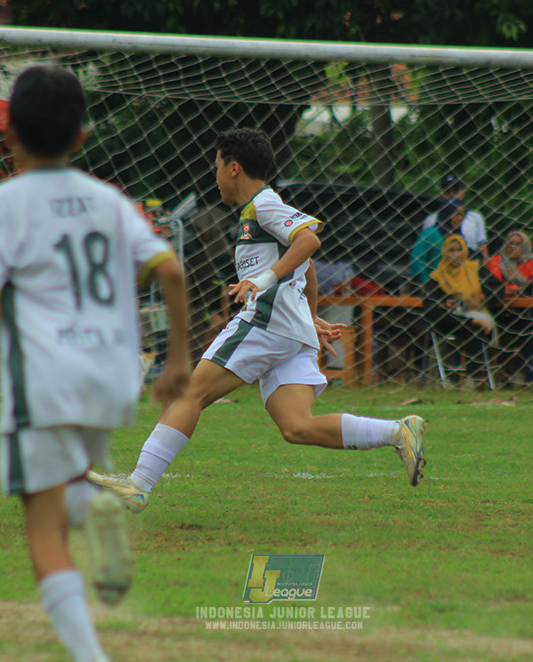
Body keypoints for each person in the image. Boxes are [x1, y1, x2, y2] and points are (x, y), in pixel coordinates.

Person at [0, 66, 190, 662]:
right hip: (112, 374)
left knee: (44, 527)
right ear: (81, 135)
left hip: (47, 379)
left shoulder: (1, 204)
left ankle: (90, 655)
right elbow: (171, 270)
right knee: (72, 484)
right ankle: (92, 501)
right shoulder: (110, 200)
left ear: (8, 131)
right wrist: (179, 359)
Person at [88, 128, 427, 513]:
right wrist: (308, 317)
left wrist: (263, 281)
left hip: (265, 323)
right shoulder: (258, 212)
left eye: (217, 166)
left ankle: (138, 485)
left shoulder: (264, 204)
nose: (215, 176)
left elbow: (309, 241)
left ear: (233, 168)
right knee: (297, 426)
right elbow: (306, 265)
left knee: (190, 393)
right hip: (290, 330)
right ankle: (398, 431)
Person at [420, 235, 496, 387]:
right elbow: (430, 308)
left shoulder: (475, 269)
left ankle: (471, 380)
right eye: (451, 250)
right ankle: (449, 379)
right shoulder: (437, 276)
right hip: (449, 322)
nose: (455, 254)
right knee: (473, 325)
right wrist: (447, 303)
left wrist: (482, 297)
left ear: (465, 252)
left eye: (459, 250)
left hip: (474, 319)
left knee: (477, 330)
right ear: (444, 252)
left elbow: (497, 290)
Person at [482, 230, 533, 386]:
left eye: (517, 244)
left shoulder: (530, 261)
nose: (512, 247)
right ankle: (502, 372)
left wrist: (512, 278)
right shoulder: (496, 261)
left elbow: (530, 285)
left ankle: (518, 371)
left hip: (522, 311)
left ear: (525, 247)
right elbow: (494, 287)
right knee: (505, 329)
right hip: (497, 310)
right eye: (510, 243)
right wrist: (512, 287)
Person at [410, 173, 489, 286]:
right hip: (437, 280)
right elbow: (420, 257)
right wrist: (426, 283)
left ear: (463, 192)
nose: (452, 195)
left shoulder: (474, 217)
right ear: (441, 193)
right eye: (447, 191)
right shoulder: (432, 221)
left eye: (455, 191)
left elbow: (482, 251)